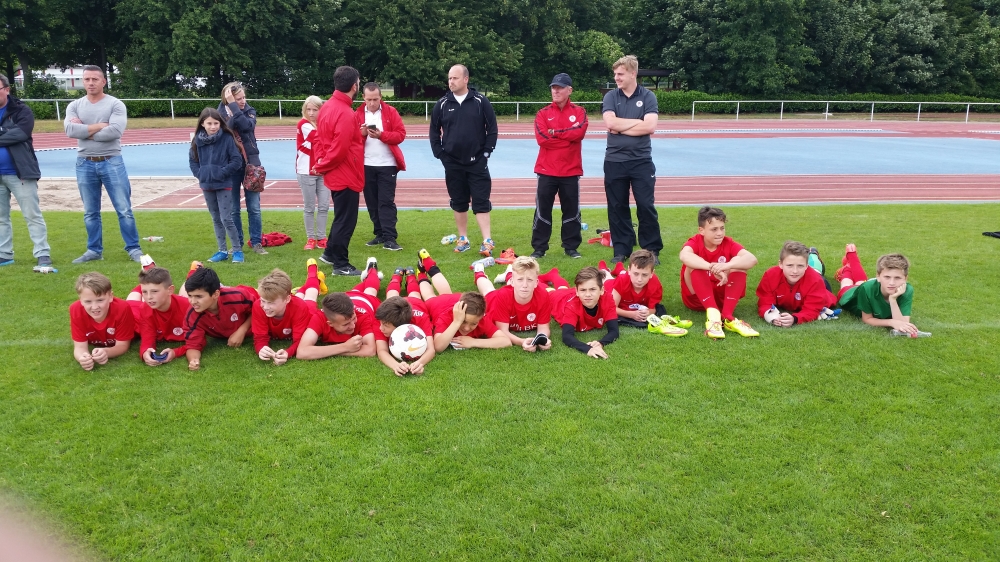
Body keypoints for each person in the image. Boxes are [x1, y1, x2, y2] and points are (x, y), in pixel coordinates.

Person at [64, 65, 143, 264]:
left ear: (103, 82)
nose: (91, 83)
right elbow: (70, 131)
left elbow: (114, 131)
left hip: (111, 161)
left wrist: (84, 131)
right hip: (84, 163)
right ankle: (94, 250)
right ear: (83, 82)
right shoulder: (74, 106)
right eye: (87, 79)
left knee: (124, 209)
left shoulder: (115, 105)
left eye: (95, 79)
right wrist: (100, 126)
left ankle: (133, 248)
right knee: (90, 212)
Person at [429, 64, 499, 256]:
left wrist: (486, 154)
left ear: (466, 79)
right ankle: (463, 239)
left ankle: (487, 241)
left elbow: (492, 129)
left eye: (455, 78)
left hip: (477, 162)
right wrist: (440, 154)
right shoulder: (442, 104)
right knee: (458, 201)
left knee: (481, 201)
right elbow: (434, 132)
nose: (451, 82)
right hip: (452, 163)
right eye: (449, 78)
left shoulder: (480, 101)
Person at [601, 55, 661, 265]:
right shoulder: (611, 96)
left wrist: (621, 126)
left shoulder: (648, 96)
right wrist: (637, 122)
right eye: (615, 74)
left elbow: (650, 126)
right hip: (614, 160)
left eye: (620, 74)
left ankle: (651, 250)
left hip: (641, 161)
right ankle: (621, 249)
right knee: (617, 206)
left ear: (633, 73)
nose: (616, 78)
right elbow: (610, 123)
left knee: (645, 205)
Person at [531, 73, 588, 259]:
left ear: (569, 90)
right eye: (553, 87)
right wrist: (567, 140)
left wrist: (554, 132)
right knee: (542, 211)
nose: (555, 91)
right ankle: (539, 248)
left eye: (560, 88)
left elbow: (579, 134)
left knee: (571, 210)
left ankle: (571, 247)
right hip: (546, 170)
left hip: (571, 171)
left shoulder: (579, 112)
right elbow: (542, 140)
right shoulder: (543, 113)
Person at [679, 206, 759, 339]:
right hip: (697, 300)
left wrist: (727, 265)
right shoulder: (695, 241)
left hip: (722, 299)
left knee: (738, 261)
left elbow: (752, 259)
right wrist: (711, 267)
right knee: (693, 264)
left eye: (722, 228)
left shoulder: (728, 242)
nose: (720, 233)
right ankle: (713, 317)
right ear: (701, 230)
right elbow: (684, 256)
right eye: (714, 229)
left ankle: (727, 316)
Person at [315, 66, 365, 276]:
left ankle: (329, 253)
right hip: (345, 172)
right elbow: (340, 148)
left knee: (341, 216)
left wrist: (321, 162)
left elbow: (322, 139)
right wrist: (322, 165)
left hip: (337, 171)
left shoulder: (327, 106)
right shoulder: (345, 112)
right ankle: (341, 265)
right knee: (346, 220)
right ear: (354, 86)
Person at [0, 73, 52, 270]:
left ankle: (42, 253)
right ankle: (4, 254)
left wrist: (7, 134)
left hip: (20, 172)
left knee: (32, 215)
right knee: (1, 218)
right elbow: (12, 135)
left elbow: (21, 133)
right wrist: (6, 133)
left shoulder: (21, 110)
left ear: (6, 89)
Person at [413, 248, 510, 352]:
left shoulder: (481, 318)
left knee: (446, 292)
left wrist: (474, 342)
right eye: (464, 321)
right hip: (438, 304)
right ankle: (421, 274)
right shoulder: (447, 317)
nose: (467, 328)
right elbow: (438, 347)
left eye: (473, 324)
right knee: (429, 295)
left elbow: (506, 341)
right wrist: (456, 322)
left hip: (456, 299)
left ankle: (427, 263)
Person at [189, 107, 245, 263]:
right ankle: (222, 251)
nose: (213, 127)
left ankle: (237, 251)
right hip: (206, 185)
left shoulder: (227, 138)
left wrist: (221, 173)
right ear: (202, 124)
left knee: (226, 218)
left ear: (220, 123)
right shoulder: (197, 140)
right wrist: (201, 174)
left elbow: (236, 160)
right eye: (209, 123)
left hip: (224, 184)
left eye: (216, 123)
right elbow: (193, 161)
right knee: (216, 218)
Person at [356, 82, 407, 251]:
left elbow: (400, 135)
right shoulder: (357, 114)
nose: (372, 103)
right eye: (369, 99)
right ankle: (379, 234)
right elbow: (351, 140)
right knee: (372, 202)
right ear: (363, 98)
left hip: (387, 165)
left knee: (386, 201)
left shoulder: (391, 112)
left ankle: (390, 237)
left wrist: (381, 135)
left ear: (381, 97)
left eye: (375, 99)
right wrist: (361, 135)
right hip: (365, 165)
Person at [218, 82, 266, 255]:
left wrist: (234, 108)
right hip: (231, 165)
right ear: (228, 98)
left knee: (254, 207)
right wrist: (232, 110)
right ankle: (237, 243)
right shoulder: (219, 114)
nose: (243, 101)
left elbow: (247, 126)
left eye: (243, 97)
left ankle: (256, 242)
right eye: (238, 99)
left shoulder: (250, 111)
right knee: (233, 209)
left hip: (250, 164)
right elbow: (226, 131)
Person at [182, 267, 258, 370]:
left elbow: (259, 310)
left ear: (216, 294)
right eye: (190, 296)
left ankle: (197, 267)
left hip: (251, 292)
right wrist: (193, 360)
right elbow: (193, 344)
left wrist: (242, 330)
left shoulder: (238, 296)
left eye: (199, 297)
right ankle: (196, 268)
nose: (193, 301)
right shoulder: (192, 314)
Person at [834, 245, 921, 335]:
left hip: (871, 286)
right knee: (847, 283)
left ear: (905, 279)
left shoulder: (907, 289)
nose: (892, 283)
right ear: (878, 277)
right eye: (887, 277)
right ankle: (848, 263)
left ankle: (849, 262)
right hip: (848, 294)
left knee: (860, 281)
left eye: (897, 278)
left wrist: (893, 300)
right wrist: (891, 322)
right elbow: (867, 319)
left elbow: (903, 323)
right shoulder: (867, 288)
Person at [599, 249, 690, 334]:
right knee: (605, 276)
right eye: (636, 274)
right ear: (629, 270)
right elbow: (612, 308)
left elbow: (653, 309)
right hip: (610, 285)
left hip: (626, 277)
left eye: (645, 275)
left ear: (652, 273)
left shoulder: (655, 284)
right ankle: (604, 268)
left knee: (625, 274)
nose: (639, 279)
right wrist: (631, 314)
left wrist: (648, 312)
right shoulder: (622, 281)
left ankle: (619, 268)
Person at [474, 256, 553, 351]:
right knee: (488, 290)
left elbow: (544, 327)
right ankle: (479, 272)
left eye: (530, 280)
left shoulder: (543, 295)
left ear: (536, 283)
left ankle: (509, 273)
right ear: (512, 282)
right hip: (494, 300)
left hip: (513, 291)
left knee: (519, 287)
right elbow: (503, 331)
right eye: (520, 280)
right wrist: (522, 341)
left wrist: (543, 338)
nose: (525, 285)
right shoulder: (503, 296)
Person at [252, 263, 325, 365]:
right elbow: (259, 337)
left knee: (311, 295)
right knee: (299, 296)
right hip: (290, 302)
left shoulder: (300, 308)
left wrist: (287, 353)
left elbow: (301, 341)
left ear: (287, 299)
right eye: (263, 301)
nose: (266, 307)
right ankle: (299, 290)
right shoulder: (258, 306)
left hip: (306, 308)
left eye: (271, 302)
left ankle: (313, 272)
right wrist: (261, 348)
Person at [755, 241, 837, 327]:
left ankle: (813, 254)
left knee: (817, 272)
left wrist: (795, 319)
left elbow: (812, 309)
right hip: (805, 275)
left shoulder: (816, 281)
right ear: (780, 264)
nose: (795, 271)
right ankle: (811, 256)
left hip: (821, 284)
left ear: (807, 265)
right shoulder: (770, 276)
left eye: (800, 266)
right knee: (811, 271)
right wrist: (772, 317)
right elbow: (765, 302)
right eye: (789, 265)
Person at [125, 265, 192, 366]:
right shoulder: (145, 308)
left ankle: (194, 271)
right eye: (144, 292)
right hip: (135, 310)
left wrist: (175, 352)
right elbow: (147, 337)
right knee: (131, 301)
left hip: (176, 302)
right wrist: (146, 352)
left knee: (190, 288)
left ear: (170, 290)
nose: (149, 297)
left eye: (154, 291)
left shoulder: (188, 308)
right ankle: (150, 270)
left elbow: (198, 340)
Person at [546, 267, 619, 359]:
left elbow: (614, 331)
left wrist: (601, 343)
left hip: (571, 294)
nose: (588, 294)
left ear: (601, 290)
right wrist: (588, 349)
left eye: (592, 289)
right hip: (556, 298)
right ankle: (553, 275)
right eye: (583, 290)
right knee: (548, 290)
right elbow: (567, 336)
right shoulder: (572, 306)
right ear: (577, 291)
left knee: (563, 288)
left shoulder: (607, 299)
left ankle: (553, 274)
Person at [70, 272, 135, 371]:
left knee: (135, 303)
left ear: (110, 296)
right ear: (81, 300)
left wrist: (106, 352)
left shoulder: (123, 308)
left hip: (136, 315)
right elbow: (79, 347)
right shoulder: (76, 310)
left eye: (100, 300)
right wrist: (82, 358)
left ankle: (141, 285)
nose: (95, 307)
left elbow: (122, 345)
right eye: (88, 301)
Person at [297, 292, 378, 360]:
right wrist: (345, 347)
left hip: (368, 300)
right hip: (349, 296)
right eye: (346, 324)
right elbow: (302, 352)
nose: (353, 325)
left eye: (354, 318)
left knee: (370, 290)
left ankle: (372, 276)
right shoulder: (319, 318)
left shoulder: (363, 317)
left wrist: (327, 352)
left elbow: (370, 350)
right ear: (330, 323)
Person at [296, 96, 329, 250]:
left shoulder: (323, 124)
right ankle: (310, 238)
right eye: (308, 109)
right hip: (306, 171)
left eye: (315, 110)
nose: (311, 113)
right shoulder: (303, 124)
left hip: (324, 170)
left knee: (324, 206)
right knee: (309, 207)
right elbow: (319, 138)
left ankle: (321, 238)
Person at [374, 295, 436, 376]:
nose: (381, 328)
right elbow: (382, 350)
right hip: (400, 304)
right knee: (391, 293)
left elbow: (430, 349)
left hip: (416, 301)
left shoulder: (420, 319)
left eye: (386, 326)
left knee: (415, 293)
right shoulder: (382, 318)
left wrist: (419, 363)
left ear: (401, 327)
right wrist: (395, 365)